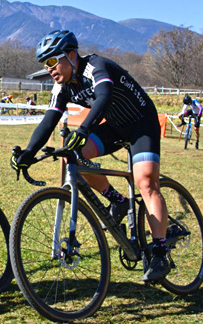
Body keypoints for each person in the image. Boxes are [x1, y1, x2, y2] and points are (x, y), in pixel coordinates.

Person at [11, 30, 171, 282]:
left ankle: (160, 251)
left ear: (72, 55)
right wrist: (29, 152)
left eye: (53, 61)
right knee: (71, 157)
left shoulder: (96, 66)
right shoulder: (61, 87)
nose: (49, 68)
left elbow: (104, 97)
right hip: (115, 125)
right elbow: (49, 119)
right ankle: (117, 200)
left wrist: (84, 129)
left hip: (142, 122)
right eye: (45, 64)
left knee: (146, 182)